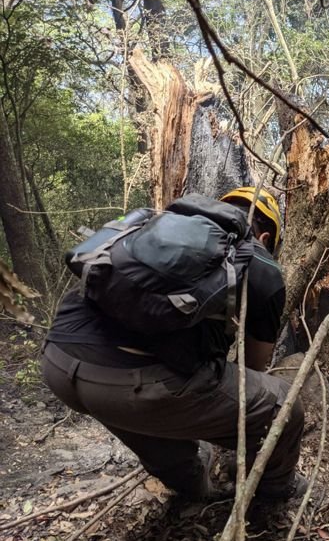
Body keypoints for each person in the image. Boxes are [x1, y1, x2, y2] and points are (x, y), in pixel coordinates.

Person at [41, 187, 306, 503]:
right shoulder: (258, 260)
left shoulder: (151, 222)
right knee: (284, 406)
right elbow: (252, 368)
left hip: (57, 360)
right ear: (265, 240)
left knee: (149, 423)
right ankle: (271, 496)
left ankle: (193, 488)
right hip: (132, 389)